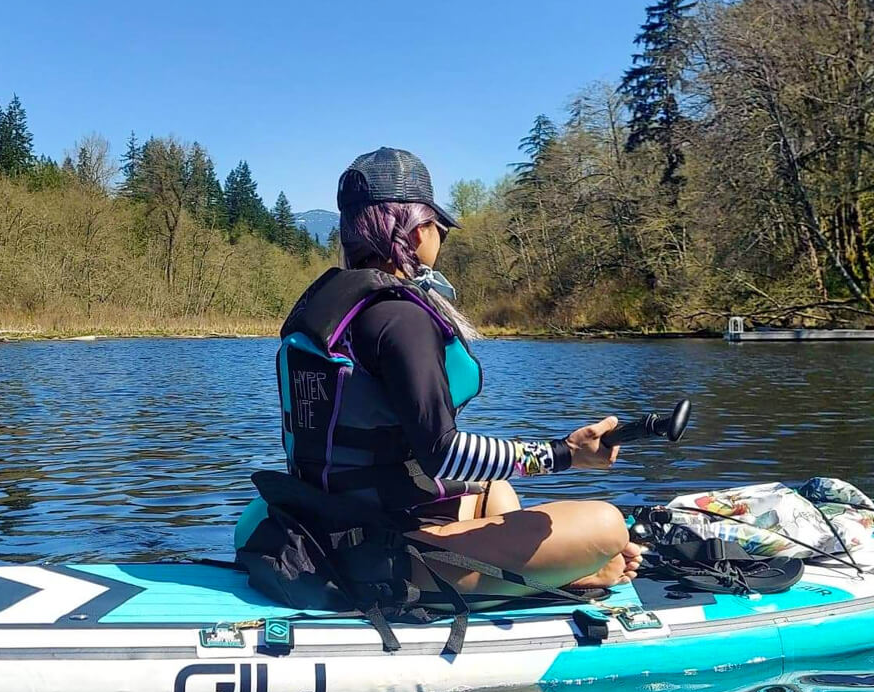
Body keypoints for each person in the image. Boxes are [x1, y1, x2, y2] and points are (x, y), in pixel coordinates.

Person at [253, 147, 639, 609]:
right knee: (607, 526)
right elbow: (443, 453)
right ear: (418, 231)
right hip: (376, 555)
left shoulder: (327, 310)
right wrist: (564, 455)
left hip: (323, 526)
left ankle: (527, 573)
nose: (440, 239)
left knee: (494, 488)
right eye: (439, 228)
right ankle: (551, 578)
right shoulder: (400, 318)